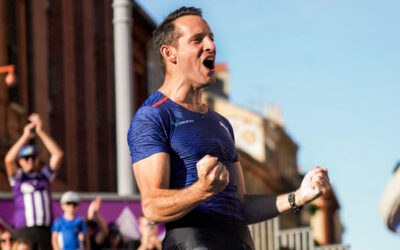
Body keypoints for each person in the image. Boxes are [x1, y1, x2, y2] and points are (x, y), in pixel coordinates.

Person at [127, 6, 332, 250]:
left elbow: (240, 204)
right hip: (193, 241)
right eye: (197, 40)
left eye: (211, 38)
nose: (211, 45)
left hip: (239, 241)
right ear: (170, 54)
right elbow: (152, 207)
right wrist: (201, 190)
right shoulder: (153, 115)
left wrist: (298, 197)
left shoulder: (221, 123)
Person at [4, 113, 64, 250]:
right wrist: (25, 136)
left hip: (44, 232)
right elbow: (8, 160)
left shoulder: (44, 176)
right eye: (26, 158)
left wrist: (40, 131)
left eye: (33, 157)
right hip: (25, 231)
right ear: (20, 162)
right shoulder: (18, 178)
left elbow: (58, 155)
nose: (30, 160)